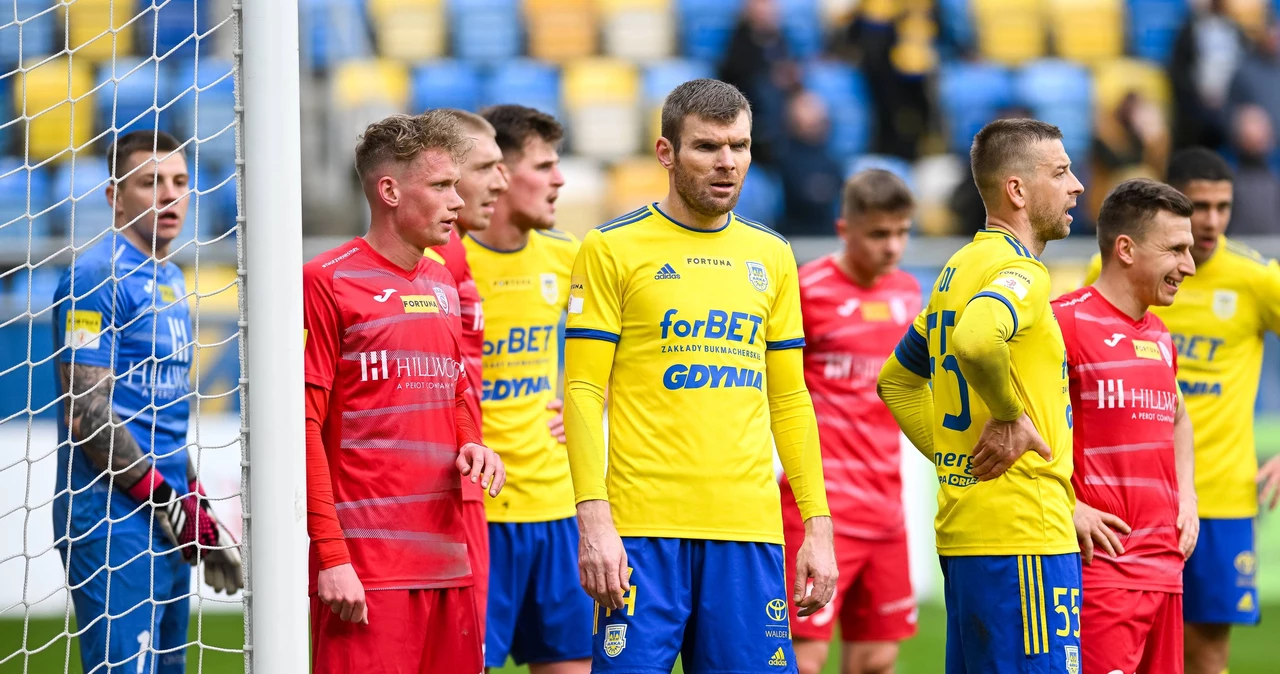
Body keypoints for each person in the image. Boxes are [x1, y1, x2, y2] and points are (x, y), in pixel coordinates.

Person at [563, 78, 837, 673]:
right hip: (641, 535)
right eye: (708, 147)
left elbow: (789, 400)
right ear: (667, 153)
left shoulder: (773, 255)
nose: (727, 163)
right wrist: (594, 519)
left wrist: (817, 527)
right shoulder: (611, 248)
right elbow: (583, 391)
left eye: (739, 147)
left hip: (748, 533)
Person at [877, 118, 1085, 674]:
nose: (1077, 186)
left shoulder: (956, 269)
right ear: (1017, 190)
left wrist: (955, 458)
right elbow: (976, 339)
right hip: (1024, 536)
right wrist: (1010, 417)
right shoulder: (1022, 271)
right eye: (1061, 172)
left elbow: (895, 380)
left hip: (968, 533)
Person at [302, 111, 505, 673]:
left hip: (448, 562)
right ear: (389, 190)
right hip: (367, 573)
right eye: (441, 186)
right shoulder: (326, 280)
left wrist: (472, 442)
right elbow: (304, 428)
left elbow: (456, 388)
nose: (457, 203)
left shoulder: (442, 281)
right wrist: (332, 557)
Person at [1082, 147, 1280, 674]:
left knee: (1206, 654)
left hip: (1220, 496)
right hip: (1129, 505)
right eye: (1200, 206)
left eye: (1223, 206)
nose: (1211, 221)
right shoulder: (1104, 281)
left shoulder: (1256, 280)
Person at [52, 129, 242, 674]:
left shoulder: (173, 279)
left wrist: (195, 503)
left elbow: (162, 417)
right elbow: (86, 413)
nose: (168, 195)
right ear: (114, 195)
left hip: (166, 510)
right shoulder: (94, 275)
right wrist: (167, 501)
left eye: (179, 182)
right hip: (111, 516)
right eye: (149, 182)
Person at [460, 103, 589, 673]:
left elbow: (633, 349)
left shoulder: (568, 256)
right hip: (475, 513)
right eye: (546, 165)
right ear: (501, 175)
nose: (560, 179)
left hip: (560, 511)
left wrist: (597, 403)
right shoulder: (445, 262)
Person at [1055, 179, 1199, 674]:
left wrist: (1189, 498)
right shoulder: (1063, 324)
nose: (1190, 265)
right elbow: (1006, 426)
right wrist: (1068, 506)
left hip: (1166, 572)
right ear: (1126, 249)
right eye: (1176, 249)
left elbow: (1179, 418)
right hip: (1100, 574)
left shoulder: (1159, 335)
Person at [782, 169, 920, 674]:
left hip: (887, 505)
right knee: (804, 658)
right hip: (820, 508)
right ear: (845, 229)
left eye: (903, 232)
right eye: (879, 234)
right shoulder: (806, 290)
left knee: (878, 659)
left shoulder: (909, 294)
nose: (893, 246)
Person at [422, 108, 509, 637]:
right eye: (485, 168)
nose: (501, 181)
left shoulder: (454, 252)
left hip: (461, 479)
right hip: (441, 486)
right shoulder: (438, 256)